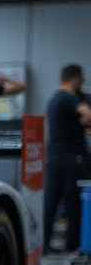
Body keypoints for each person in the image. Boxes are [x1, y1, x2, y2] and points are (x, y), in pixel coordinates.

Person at [44, 64, 91, 254]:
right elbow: (87, 114)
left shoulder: (54, 99)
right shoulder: (69, 98)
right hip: (72, 157)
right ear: (76, 78)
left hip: (54, 155)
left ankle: (45, 244)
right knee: (74, 202)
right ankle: (72, 245)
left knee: (51, 201)